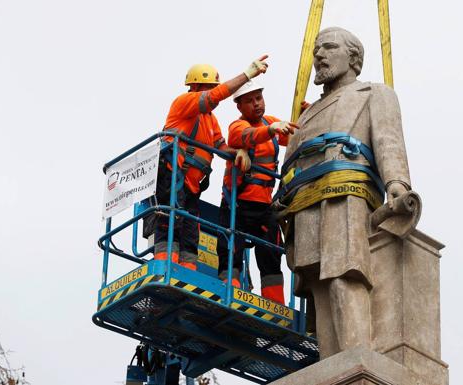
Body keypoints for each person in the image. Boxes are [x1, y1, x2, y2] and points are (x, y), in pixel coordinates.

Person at [276, 27, 411, 358]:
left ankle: (357, 355)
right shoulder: (306, 114)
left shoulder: (373, 93)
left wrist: (397, 183)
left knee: (343, 274)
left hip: (346, 193)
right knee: (316, 283)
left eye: (329, 47)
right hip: (306, 202)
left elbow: (388, 139)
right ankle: (333, 363)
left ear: (353, 58)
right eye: (316, 49)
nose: (319, 55)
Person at [153, 56, 269, 270]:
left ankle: (186, 273)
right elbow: (214, 97)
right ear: (195, 86)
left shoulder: (210, 119)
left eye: (212, 87)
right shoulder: (183, 102)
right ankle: (164, 268)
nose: (212, 93)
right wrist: (246, 76)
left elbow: (221, 148)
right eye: (208, 88)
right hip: (173, 175)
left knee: (190, 231)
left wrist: (238, 153)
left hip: (192, 186)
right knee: (170, 222)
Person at [217, 80, 298, 304]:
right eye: (249, 101)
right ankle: (229, 295)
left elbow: (295, 135)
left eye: (258, 98)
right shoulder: (238, 126)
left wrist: (308, 116)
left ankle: (275, 305)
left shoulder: (269, 123)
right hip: (238, 205)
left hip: (264, 206)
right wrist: (271, 129)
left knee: (271, 254)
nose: (256, 104)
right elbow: (245, 137)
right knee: (230, 251)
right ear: (240, 107)